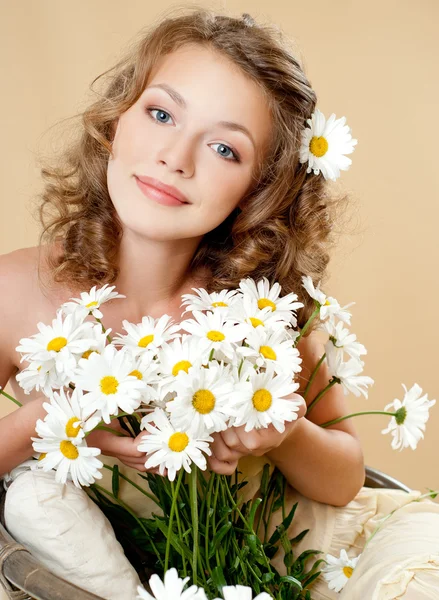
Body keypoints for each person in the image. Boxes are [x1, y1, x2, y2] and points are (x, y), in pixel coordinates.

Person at [1, 8, 438, 600]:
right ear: (114, 121)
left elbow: (345, 481)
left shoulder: (262, 310)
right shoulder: (18, 290)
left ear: (259, 190)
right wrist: (49, 421)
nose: (175, 158)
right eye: (160, 114)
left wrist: (287, 435)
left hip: (303, 566)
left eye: (225, 150)